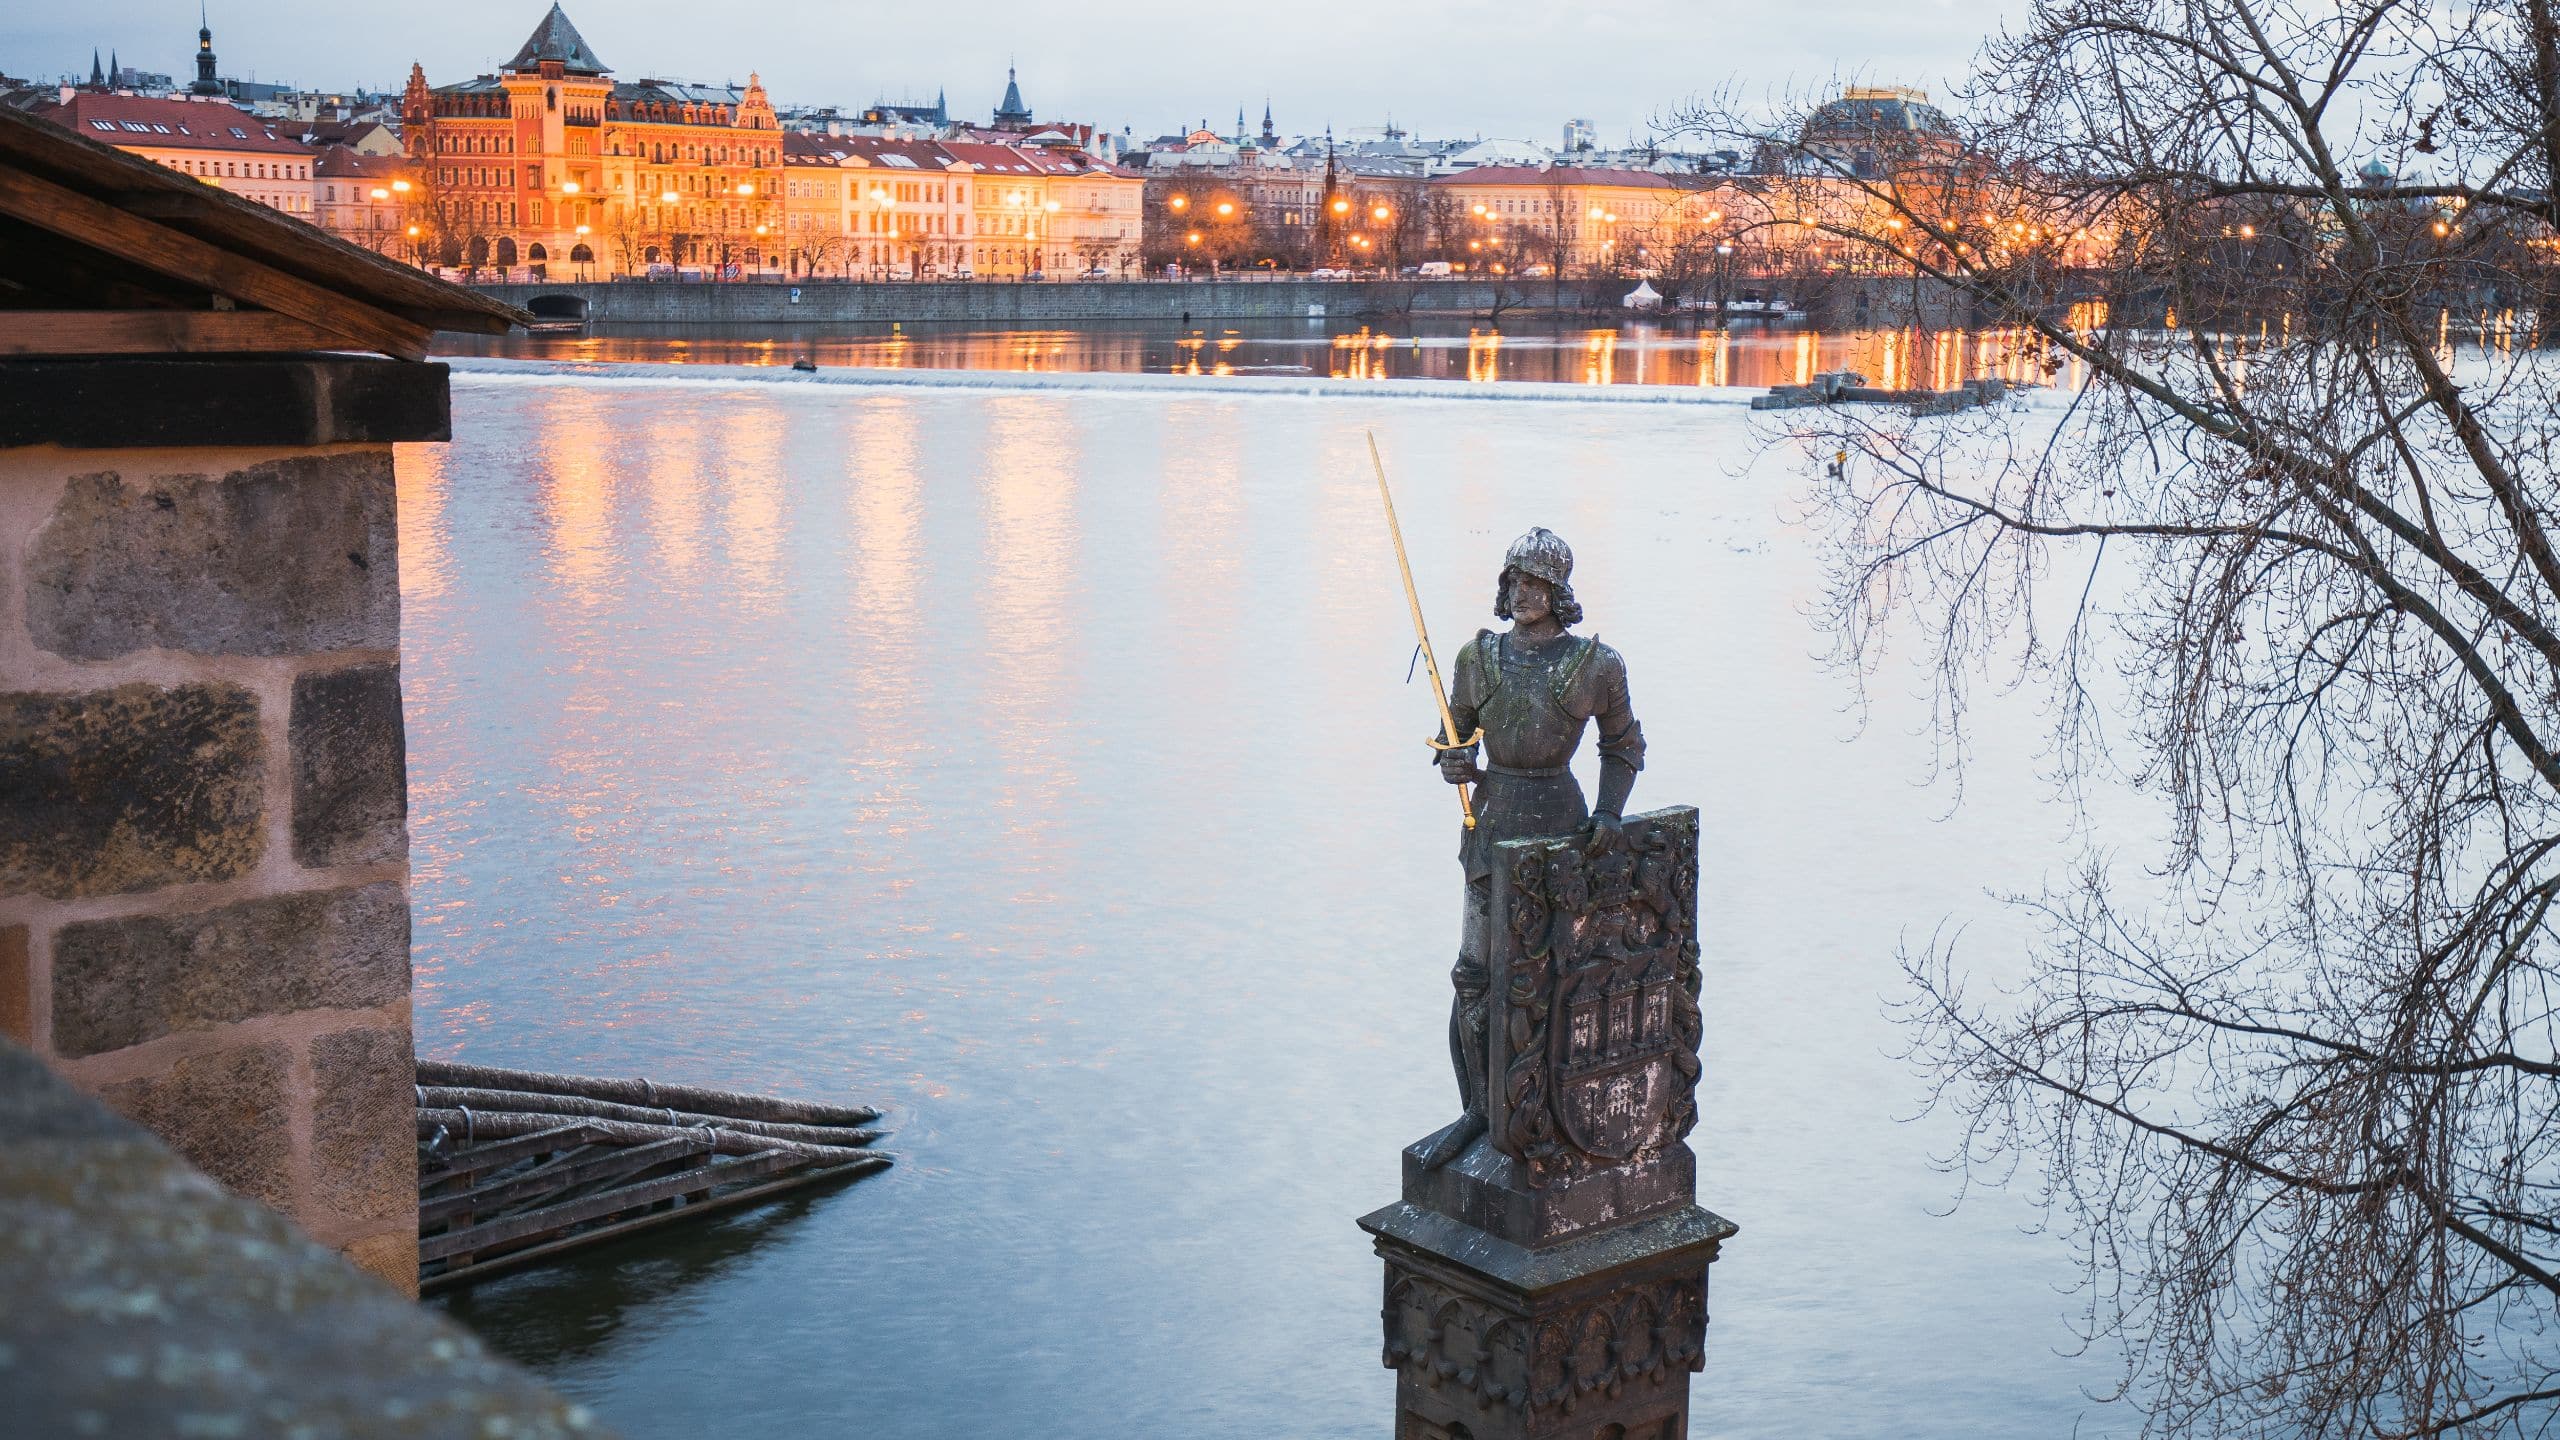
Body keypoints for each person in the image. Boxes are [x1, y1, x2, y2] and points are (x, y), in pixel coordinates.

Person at [1418, 528, 1644, 1169]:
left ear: (1558, 591)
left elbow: (1624, 746)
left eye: (1535, 582)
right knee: (1473, 977)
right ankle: (1478, 1111)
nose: (1521, 592)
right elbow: (1453, 736)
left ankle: (1538, 1112)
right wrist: (1455, 761)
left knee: (1547, 979)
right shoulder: (1477, 658)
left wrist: (1608, 812)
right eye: (1514, 580)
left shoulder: (1596, 666)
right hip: (1491, 826)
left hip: (1558, 828)